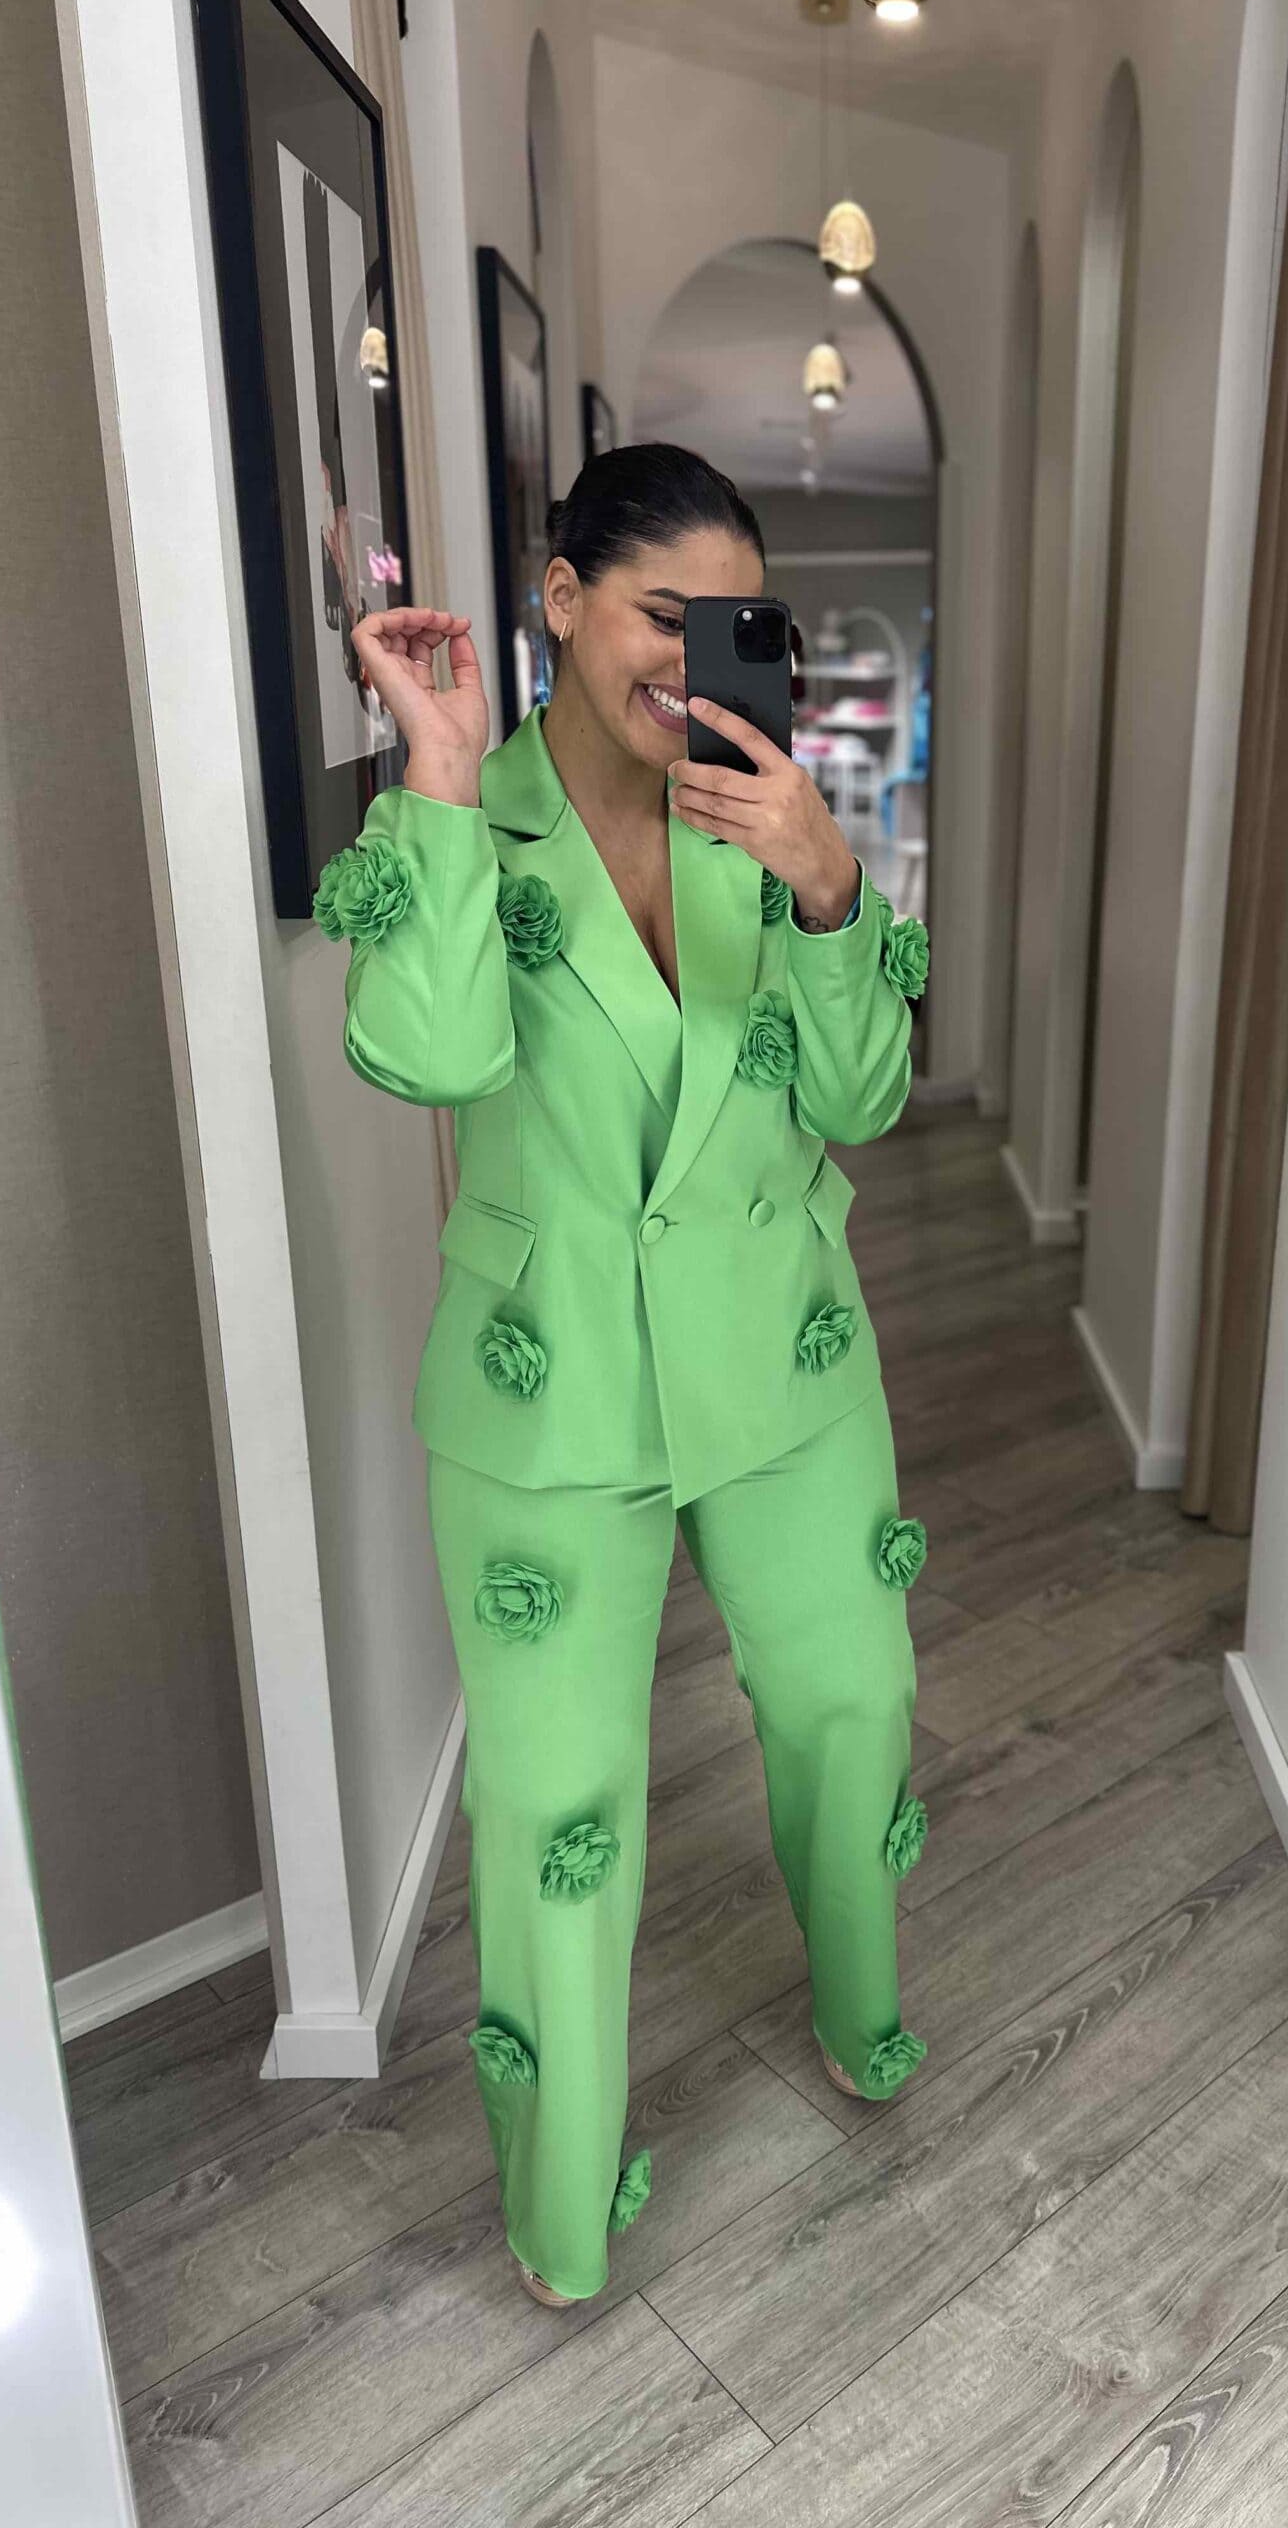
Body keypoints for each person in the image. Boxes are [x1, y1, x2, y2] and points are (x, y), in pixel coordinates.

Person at [316, 442, 933, 2308]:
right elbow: (427, 1061)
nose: (692, 659)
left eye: (734, 624)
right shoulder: (461, 814)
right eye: (662, 614)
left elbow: (864, 1100)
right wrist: (436, 773)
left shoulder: (773, 817)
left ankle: (862, 2010)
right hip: (552, 1389)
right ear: (562, 598)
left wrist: (827, 884)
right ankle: (564, 2211)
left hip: (785, 1355)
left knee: (852, 1704)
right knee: (559, 1807)